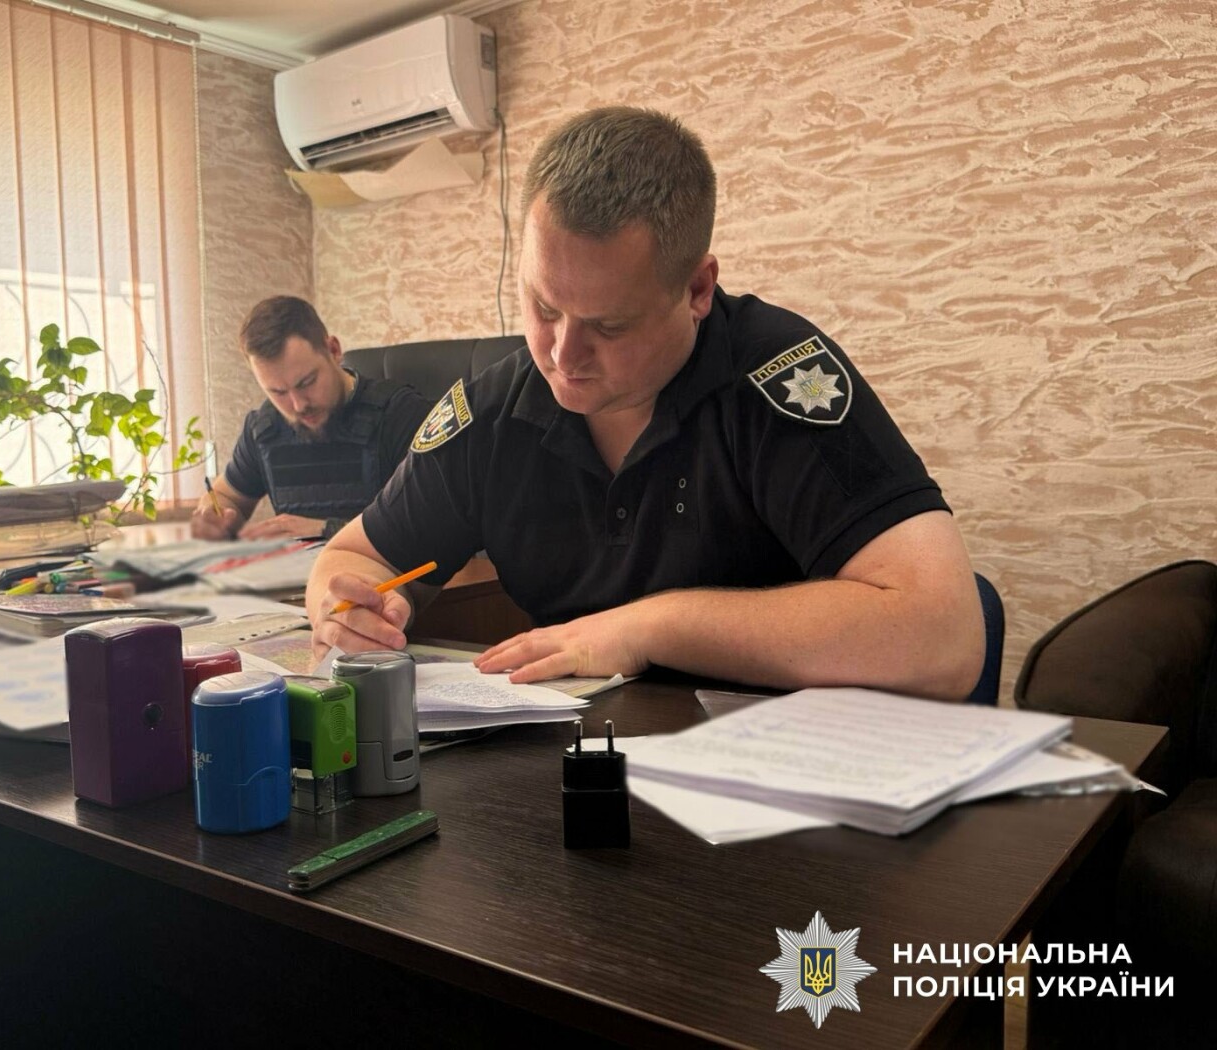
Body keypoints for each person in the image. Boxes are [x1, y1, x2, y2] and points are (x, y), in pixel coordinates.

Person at [305, 107, 984, 700]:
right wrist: (348, 607)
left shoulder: (779, 376)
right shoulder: (492, 410)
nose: (562, 355)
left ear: (697, 290)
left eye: (610, 326)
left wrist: (647, 628)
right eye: (544, 306)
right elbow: (355, 558)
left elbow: (944, 637)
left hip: (775, 772)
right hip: (573, 773)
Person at [192, 297, 432, 542]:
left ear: (333, 350)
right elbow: (225, 496)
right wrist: (216, 514)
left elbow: (432, 528)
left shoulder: (400, 414)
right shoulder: (265, 428)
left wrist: (329, 530)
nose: (298, 405)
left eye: (306, 382)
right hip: (298, 567)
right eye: (278, 392)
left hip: (381, 567)